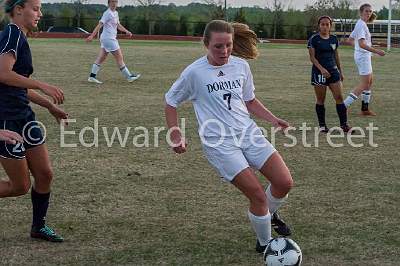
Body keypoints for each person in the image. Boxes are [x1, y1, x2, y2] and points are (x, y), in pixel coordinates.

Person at [164, 20, 293, 253]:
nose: (224, 52)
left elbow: (249, 100)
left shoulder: (241, 66)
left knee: (284, 182)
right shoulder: (194, 73)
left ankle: (268, 216)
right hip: (220, 144)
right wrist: (175, 134)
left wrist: (273, 119)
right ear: (206, 44)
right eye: (218, 47)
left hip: (249, 134)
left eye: (228, 46)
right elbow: (170, 101)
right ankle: (265, 245)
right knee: (257, 195)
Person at [0, 0, 68, 242]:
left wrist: (49, 106)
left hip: (25, 117)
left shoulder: (19, 37)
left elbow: (17, 86)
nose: (40, 13)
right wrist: (43, 84)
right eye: (35, 8)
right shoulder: (11, 34)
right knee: (19, 186)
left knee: (45, 174)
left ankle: (38, 227)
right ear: (19, 9)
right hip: (7, 120)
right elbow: (4, 74)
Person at [307, 16, 351, 133]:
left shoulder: (334, 39)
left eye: (327, 24)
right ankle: (322, 126)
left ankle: (344, 125)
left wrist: (340, 71)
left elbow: (336, 56)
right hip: (319, 72)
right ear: (319, 26)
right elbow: (312, 58)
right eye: (322, 24)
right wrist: (321, 69)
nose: (325, 26)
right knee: (321, 100)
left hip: (333, 71)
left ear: (330, 26)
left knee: (339, 98)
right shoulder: (314, 39)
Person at [343, 3, 386, 116]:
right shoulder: (361, 25)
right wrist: (377, 51)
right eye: (366, 11)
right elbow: (361, 44)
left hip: (363, 56)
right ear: (361, 12)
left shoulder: (361, 24)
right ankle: (343, 106)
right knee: (364, 84)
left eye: (370, 11)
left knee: (369, 82)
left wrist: (361, 48)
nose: (368, 13)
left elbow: (350, 40)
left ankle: (365, 109)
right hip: (363, 58)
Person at [86, 0, 140, 84]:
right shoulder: (107, 13)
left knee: (101, 58)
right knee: (119, 58)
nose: (114, 3)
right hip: (109, 39)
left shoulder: (116, 13)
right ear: (109, 3)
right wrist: (92, 36)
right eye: (112, 1)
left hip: (107, 39)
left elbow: (118, 25)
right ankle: (129, 77)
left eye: (116, 1)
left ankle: (92, 77)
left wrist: (126, 31)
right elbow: (99, 25)